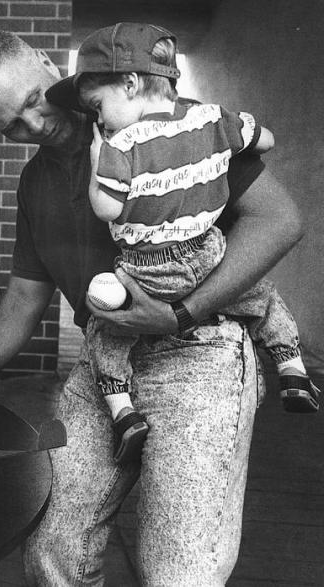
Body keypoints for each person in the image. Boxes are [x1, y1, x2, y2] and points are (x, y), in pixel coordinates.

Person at [0, 30, 304, 584]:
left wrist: (182, 311)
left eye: (33, 102)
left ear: (49, 63)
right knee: (51, 547)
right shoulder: (35, 182)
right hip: (105, 362)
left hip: (201, 351)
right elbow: (26, 295)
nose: (35, 126)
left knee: (178, 574)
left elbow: (281, 220)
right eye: (12, 126)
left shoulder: (172, 123)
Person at [45, 22, 319, 464]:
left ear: (131, 83)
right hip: (207, 253)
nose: (97, 119)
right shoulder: (211, 118)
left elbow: (108, 210)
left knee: (106, 333)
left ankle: (122, 410)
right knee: (262, 297)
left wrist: (99, 161)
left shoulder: (122, 143)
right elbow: (265, 139)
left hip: (146, 269)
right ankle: (292, 368)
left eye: (97, 106)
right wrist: (229, 144)